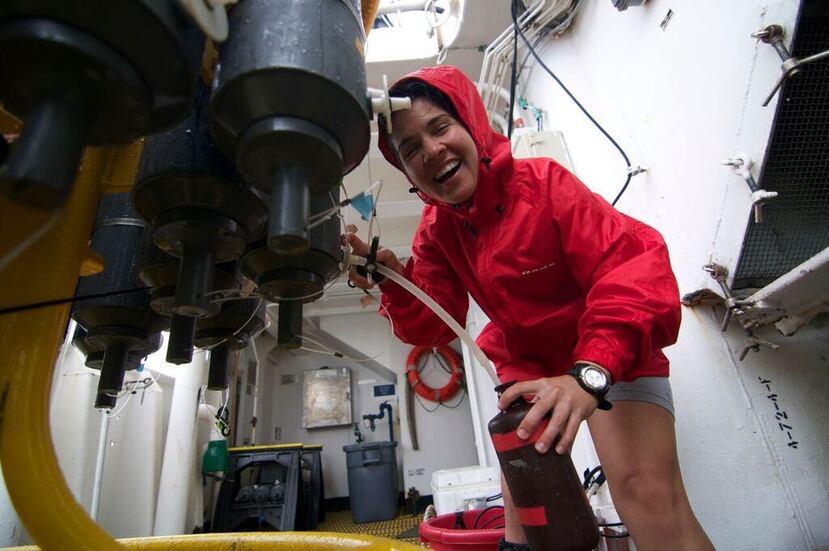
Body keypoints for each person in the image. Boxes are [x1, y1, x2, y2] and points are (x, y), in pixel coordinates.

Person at [346, 65, 713, 551]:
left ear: (473, 127)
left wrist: (589, 374)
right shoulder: (436, 230)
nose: (432, 150)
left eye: (440, 128)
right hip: (530, 369)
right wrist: (394, 280)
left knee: (644, 495)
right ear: (406, 171)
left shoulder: (544, 185)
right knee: (527, 515)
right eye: (410, 148)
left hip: (611, 355)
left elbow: (632, 269)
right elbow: (434, 322)